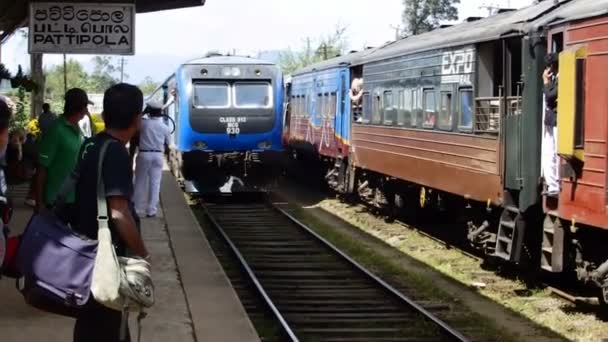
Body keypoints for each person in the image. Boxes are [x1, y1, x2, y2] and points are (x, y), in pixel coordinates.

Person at [72, 83, 149, 342]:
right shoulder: (116, 153)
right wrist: (141, 253)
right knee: (108, 325)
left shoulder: (91, 144)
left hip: (84, 252)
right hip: (105, 260)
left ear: (104, 115)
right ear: (137, 119)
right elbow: (118, 212)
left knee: (90, 325)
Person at [34, 88, 90, 224]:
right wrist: (39, 202)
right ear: (80, 108)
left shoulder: (78, 129)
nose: (86, 111)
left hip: (74, 198)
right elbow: (41, 170)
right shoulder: (56, 130)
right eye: (85, 107)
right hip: (56, 200)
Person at [133, 101, 171, 218]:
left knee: (140, 182)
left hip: (144, 154)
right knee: (155, 183)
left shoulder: (142, 124)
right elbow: (168, 144)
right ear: (160, 112)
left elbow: (136, 124)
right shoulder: (165, 127)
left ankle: (137, 209)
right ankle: (151, 211)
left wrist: (144, 112)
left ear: (148, 111)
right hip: (158, 156)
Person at [541, 53, 559, 197]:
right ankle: (552, 184)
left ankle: (555, 184)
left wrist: (546, 82)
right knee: (549, 153)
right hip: (551, 119)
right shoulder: (555, 78)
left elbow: (550, 95)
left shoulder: (561, 77)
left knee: (555, 153)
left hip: (557, 120)